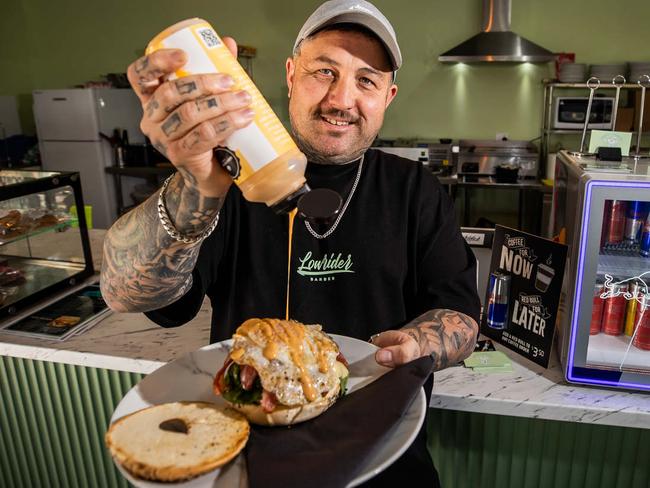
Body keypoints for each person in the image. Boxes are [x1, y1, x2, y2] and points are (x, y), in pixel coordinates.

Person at [101, 0, 480, 485]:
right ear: (290, 74)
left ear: (388, 96)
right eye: (324, 71)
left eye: (366, 80)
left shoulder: (416, 190)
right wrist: (195, 185)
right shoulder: (226, 180)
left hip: (385, 453)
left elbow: (459, 316)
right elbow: (125, 292)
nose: (341, 100)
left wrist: (415, 344)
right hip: (250, 457)